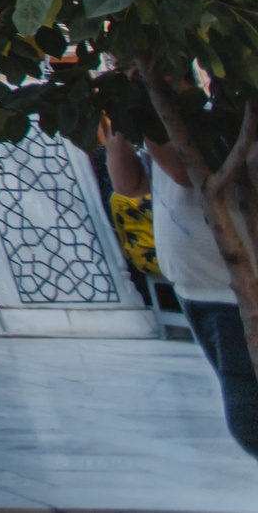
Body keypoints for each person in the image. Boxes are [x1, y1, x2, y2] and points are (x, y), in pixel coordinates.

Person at [112, 127, 258, 457]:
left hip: (235, 293)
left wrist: (149, 107)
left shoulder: (216, 114)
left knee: (248, 416)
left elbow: (185, 173)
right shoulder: (160, 117)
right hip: (197, 292)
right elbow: (128, 185)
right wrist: (122, 113)